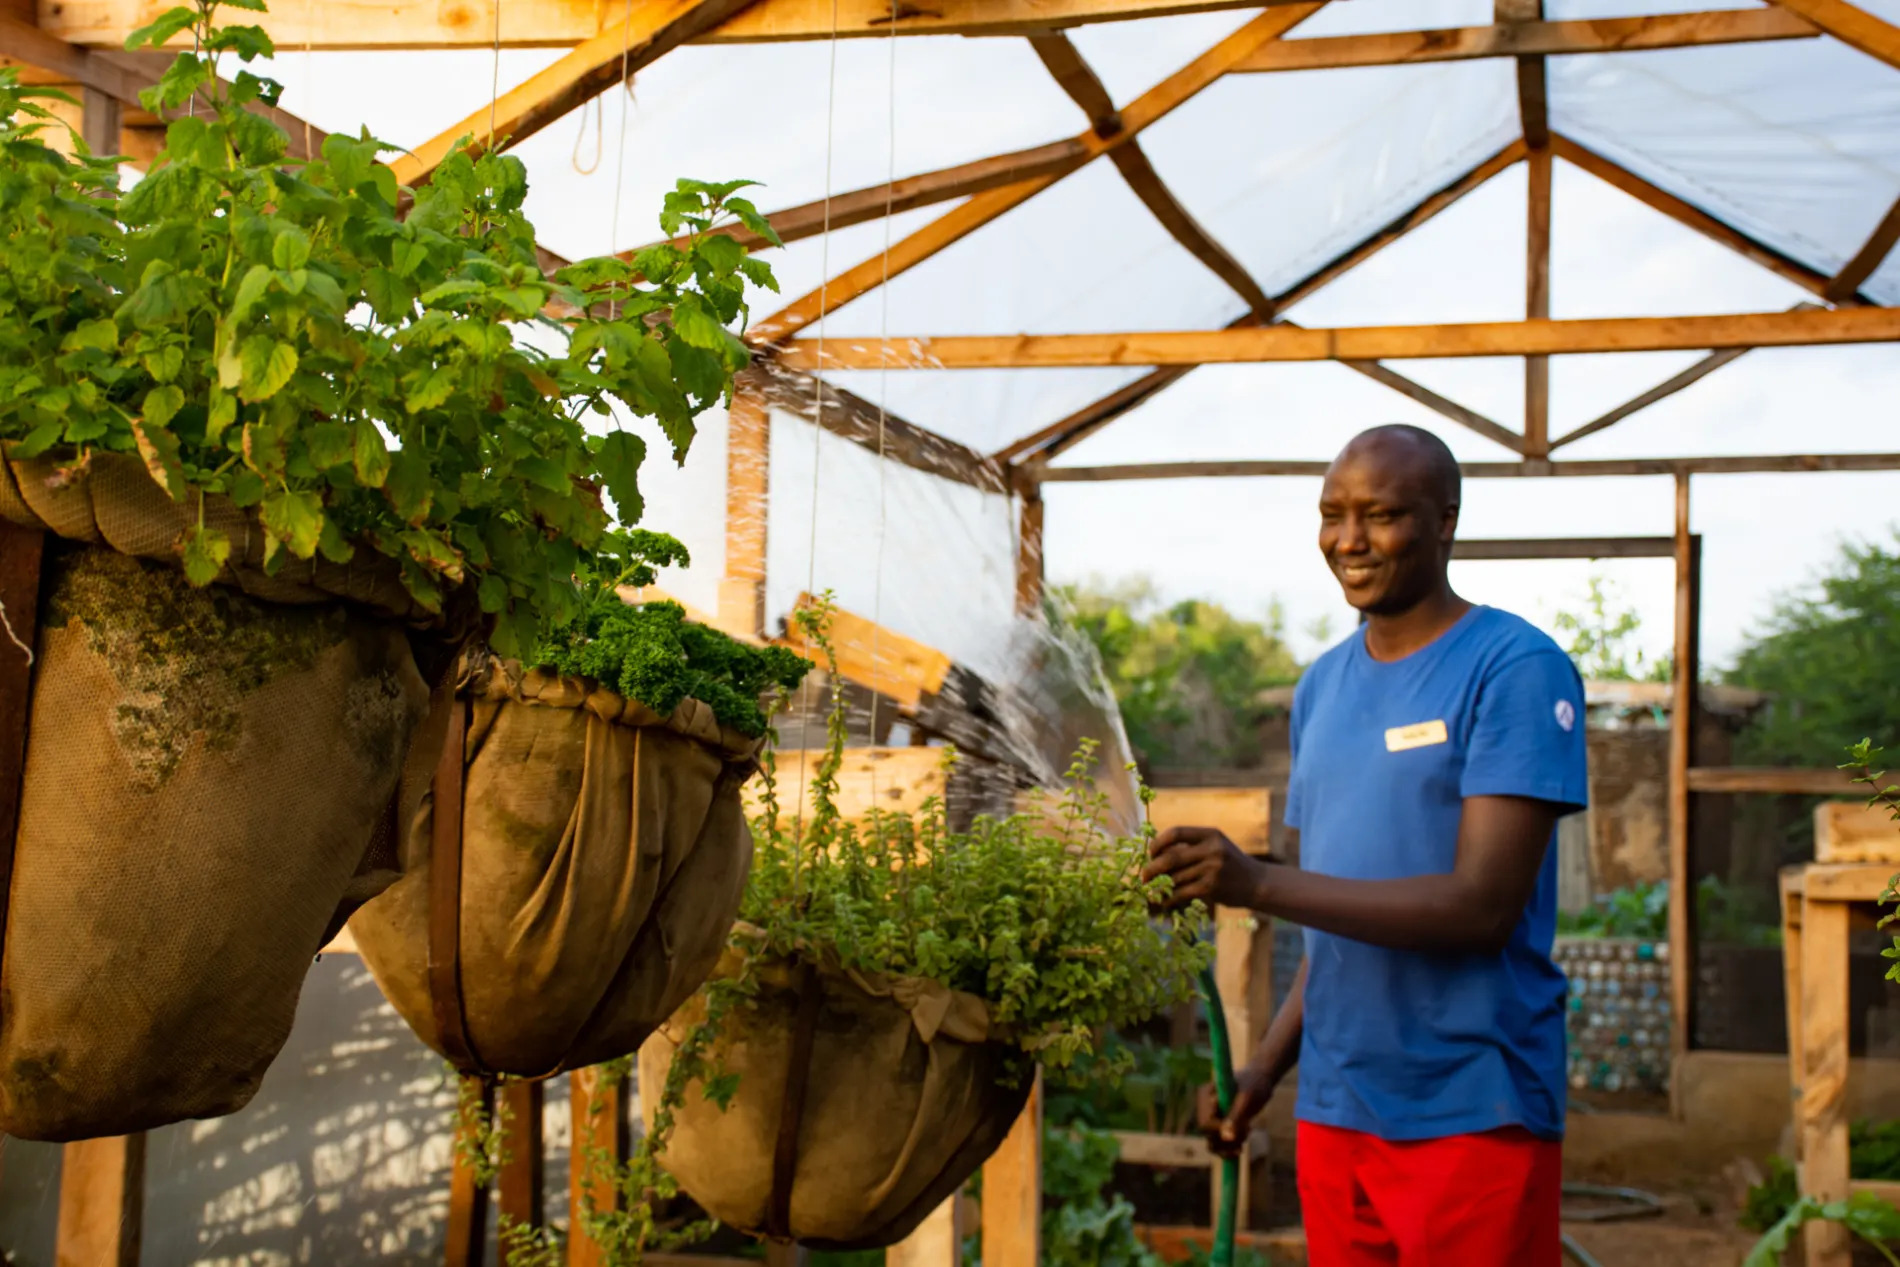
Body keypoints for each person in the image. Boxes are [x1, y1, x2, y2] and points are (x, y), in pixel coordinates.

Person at [1143, 424, 1588, 1267]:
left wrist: (1254, 883)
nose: (1349, 540)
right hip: (1339, 1108)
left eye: (1381, 514)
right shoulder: (1321, 688)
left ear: (1445, 520)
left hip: (1471, 1104)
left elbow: (1481, 907)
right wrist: (1264, 1072)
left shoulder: (1514, 667)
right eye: (1332, 514)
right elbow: (1332, 921)